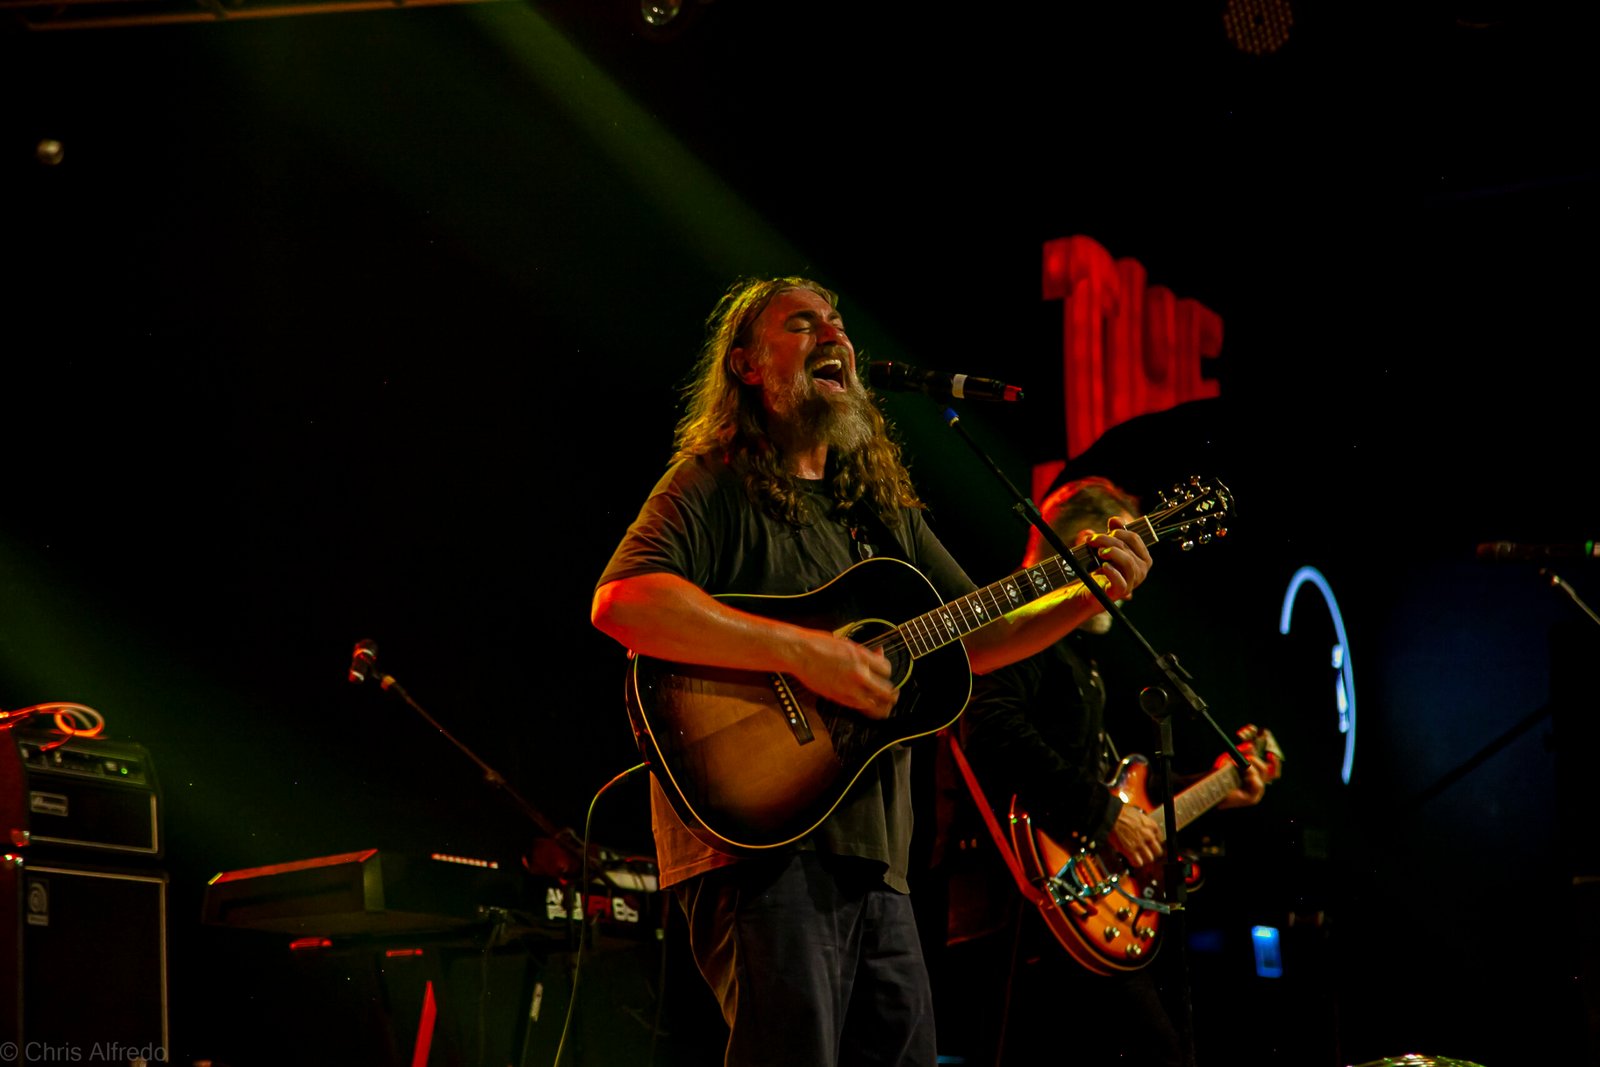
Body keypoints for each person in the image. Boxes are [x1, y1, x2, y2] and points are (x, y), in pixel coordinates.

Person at [590, 276, 1153, 1066]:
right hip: (757, 845)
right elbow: (623, 601)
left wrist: (1083, 593)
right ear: (746, 365)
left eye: (838, 323)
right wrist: (800, 651)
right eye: (802, 323)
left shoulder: (881, 512)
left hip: (878, 857)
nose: (834, 336)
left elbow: (979, 637)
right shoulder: (713, 480)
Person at [950, 475, 1270, 1067]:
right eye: (1124, 554)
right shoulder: (1014, 634)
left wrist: (1223, 785)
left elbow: (1122, 789)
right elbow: (991, 733)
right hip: (1032, 903)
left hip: (1080, 898)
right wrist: (1105, 815)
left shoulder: (1073, 655)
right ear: (1084, 544)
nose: (1129, 589)